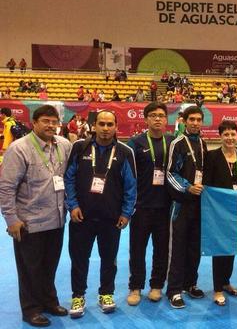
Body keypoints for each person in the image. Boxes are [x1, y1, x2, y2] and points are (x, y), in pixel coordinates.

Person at [0, 105, 72, 327]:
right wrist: (11, 219)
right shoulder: (19, 148)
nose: (51, 125)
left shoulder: (64, 145)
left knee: (50, 265)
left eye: (54, 121)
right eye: (45, 121)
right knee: (30, 268)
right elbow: (6, 187)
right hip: (28, 222)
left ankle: (49, 301)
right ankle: (31, 309)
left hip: (57, 219)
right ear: (34, 123)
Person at [64, 110, 137, 318]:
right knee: (79, 258)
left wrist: (126, 213)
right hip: (81, 217)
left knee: (109, 259)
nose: (106, 128)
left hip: (111, 218)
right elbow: (68, 178)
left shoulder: (124, 152)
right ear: (93, 125)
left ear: (116, 126)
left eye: (110, 124)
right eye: (102, 124)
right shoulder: (79, 147)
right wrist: (72, 205)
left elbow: (131, 186)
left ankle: (106, 293)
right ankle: (78, 295)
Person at [126, 102, 173, 306]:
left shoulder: (171, 142)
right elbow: (127, 176)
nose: (157, 119)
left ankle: (156, 285)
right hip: (141, 207)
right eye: (153, 115)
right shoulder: (135, 143)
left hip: (165, 207)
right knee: (137, 249)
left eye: (161, 115)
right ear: (146, 119)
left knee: (161, 249)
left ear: (166, 119)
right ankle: (135, 286)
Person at [203, 120, 237, 306]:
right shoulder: (212, 156)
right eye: (226, 134)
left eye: (233, 134)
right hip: (218, 209)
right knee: (219, 248)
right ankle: (217, 289)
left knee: (231, 247)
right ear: (220, 136)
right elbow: (207, 183)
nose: (230, 138)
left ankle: (226, 282)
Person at [166, 105, 208, 309]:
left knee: (194, 248)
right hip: (181, 205)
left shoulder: (202, 143)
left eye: (199, 119)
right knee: (178, 248)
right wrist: (187, 188)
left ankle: (190, 283)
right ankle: (173, 290)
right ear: (184, 121)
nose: (195, 123)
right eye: (192, 119)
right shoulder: (178, 143)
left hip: (199, 205)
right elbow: (170, 173)